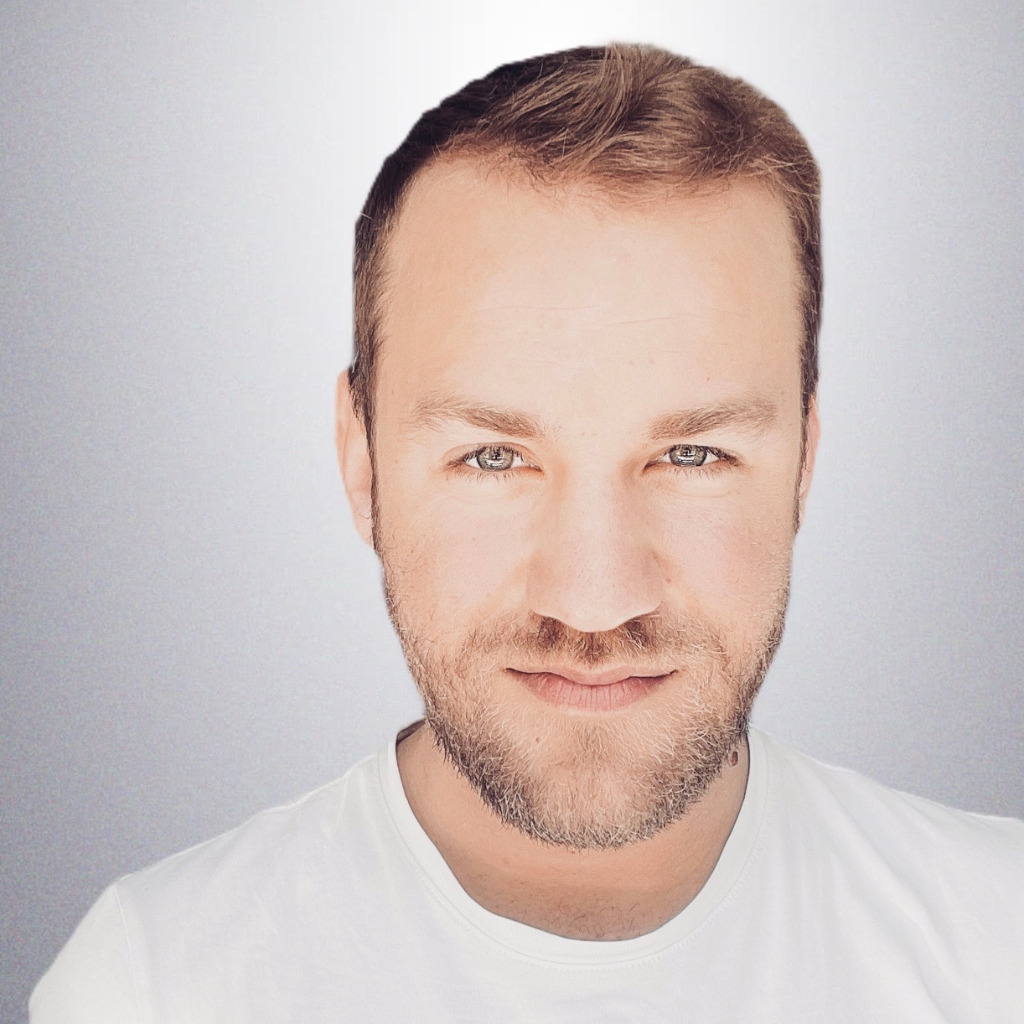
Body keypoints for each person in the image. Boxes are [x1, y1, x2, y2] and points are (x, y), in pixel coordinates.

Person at [31, 43, 1023, 1022]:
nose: (593, 600)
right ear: (360, 461)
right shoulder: (153, 988)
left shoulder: (1001, 947)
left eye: (692, 455)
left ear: (803, 462)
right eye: (493, 458)